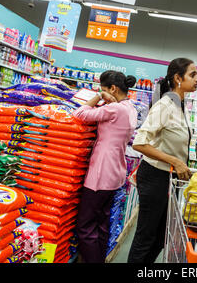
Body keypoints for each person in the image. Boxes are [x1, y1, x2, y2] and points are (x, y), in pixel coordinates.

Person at [127, 57, 197, 263]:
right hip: (154, 176)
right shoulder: (165, 105)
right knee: (146, 236)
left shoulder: (180, 105)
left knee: (160, 237)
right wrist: (174, 161)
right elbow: (139, 143)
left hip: (169, 178)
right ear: (178, 78)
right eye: (192, 74)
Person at [72, 70, 138, 263]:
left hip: (101, 172)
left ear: (113, 89)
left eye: (103, 89)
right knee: (102, 223)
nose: (102, 93)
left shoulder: (116, 109)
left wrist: (99, 96)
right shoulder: (129, 108)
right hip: (116, 170)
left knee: (85, 226)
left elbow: (80, 113)